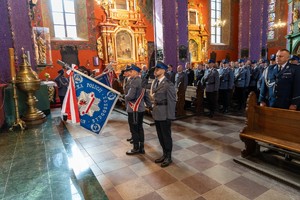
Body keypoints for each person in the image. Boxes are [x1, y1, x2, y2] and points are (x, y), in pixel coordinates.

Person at [150, 61, 176, 167]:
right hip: (157, 112)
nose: (155, 71)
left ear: (164, 71)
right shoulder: (155, 82)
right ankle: (164, 154)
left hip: (165, 113)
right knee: (160, 136)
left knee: (166, 136)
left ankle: (169, 156)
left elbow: (172, 101)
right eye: (155, 69)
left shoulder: (168, 84)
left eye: (158, 69)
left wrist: (170, 116)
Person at [125, 64, 151, 155]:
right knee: (140, 128)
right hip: (140, 109)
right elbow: (146, 95)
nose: (129, 73)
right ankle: (142, 147)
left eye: (131, 71)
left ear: (135, 72)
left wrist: (124, 96)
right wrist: (149, 105)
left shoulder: (134, 81)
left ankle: (136, 148)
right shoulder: (142, 81)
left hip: (133, 109)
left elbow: (130, 96)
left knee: (134, 129)